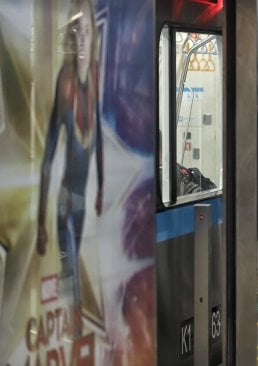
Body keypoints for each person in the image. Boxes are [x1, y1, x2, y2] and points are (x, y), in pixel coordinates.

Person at [36, 0, 103, 336]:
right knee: (70, 267)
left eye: (87, 32)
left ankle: (71, 327)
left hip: (80, 201)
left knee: (72, 262)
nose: (81, 40)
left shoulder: (91, 88)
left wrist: (102, 188)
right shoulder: (65, 86)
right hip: (65, 200)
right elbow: (48, 158)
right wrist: (40, 225)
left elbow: (100, 140)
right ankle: (72, 330)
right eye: (75, 32)